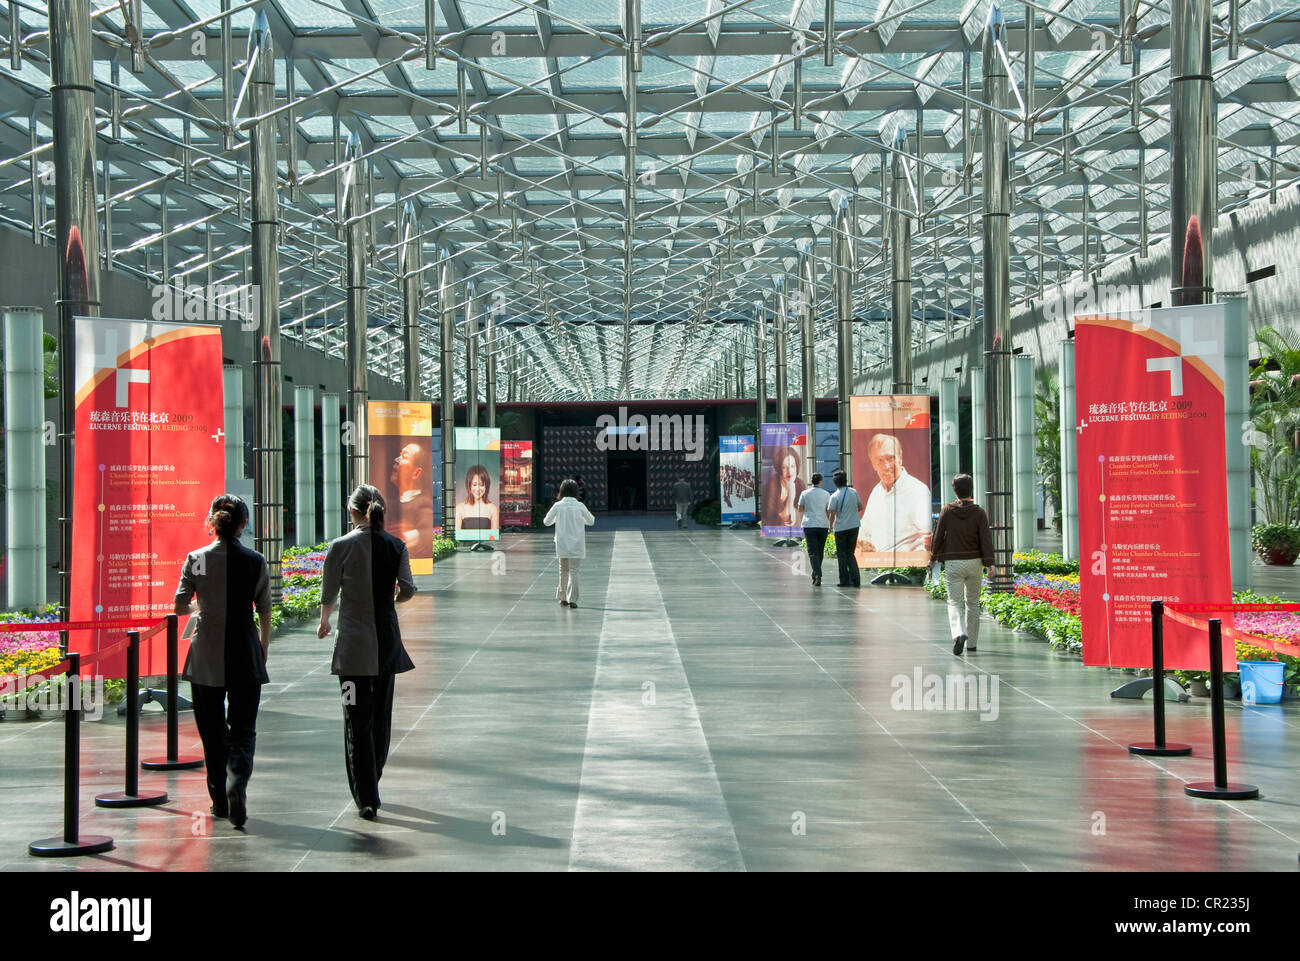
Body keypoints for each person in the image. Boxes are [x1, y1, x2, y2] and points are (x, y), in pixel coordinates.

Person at [318, 485, 417, 820]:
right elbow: (408, 589)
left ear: (352, 511)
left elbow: (329, 591)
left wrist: (324, 622)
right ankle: (371, 780)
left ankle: (366, 796)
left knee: (355, 719)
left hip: (352, 651)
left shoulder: (340, 547)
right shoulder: (397, 546)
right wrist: (391, 603)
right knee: (380, 718)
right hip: (387, 646)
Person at [174, 493, 271, 829]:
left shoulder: (196, 558)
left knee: (212, 733)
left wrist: (202, 610)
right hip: (245, 653)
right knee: (243, 731)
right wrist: (264, 646)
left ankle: (219, 800)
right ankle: (237, 784)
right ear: (243, 524)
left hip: (206, 657)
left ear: (213, 523)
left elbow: (180, 604)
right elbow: (265, 608)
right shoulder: (255, 560)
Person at [928, 473, 994, 656]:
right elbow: (985, 540)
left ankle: (959, 633)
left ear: (954, 490)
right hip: (975, 563)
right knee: (973, 603)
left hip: (953, 563)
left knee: (954, 601)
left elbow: (938, 535)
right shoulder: (979, 512)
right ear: (971, 489)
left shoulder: (947, 511)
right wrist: (991, 564)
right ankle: (971, 644)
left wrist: (933, 557)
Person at [861, 433, 932, 555]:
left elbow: (927, 535)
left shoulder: (918, 490)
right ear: (873, 464)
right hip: (877, 564)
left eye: (890, 458)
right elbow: (864, 530)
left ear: (900, 458)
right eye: (879, 460)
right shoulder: (876, 492)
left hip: (907, 567)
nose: (886, 466)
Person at [544, 479, 595, 608]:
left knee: (563, 570)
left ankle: (562, 598)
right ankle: (573, 599)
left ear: (561, 491)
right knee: (574, 571)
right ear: (576, 492)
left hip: (561, 543)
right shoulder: (580, 506)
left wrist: (557, 519)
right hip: (577, 544)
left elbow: (546, 522)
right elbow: (591, 521)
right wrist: (579, 520)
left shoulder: (557, 506)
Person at [390, 442, 432, 559]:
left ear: (416, 473)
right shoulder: (392, 502)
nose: (396, 460)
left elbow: (426, 534)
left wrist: (407, 535)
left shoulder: (424, 503)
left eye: (404, 456)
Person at [826, 469, 864, 587]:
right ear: (846, 480)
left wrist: (830, 526)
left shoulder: (834, 496)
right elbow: (860, 507)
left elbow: (831, 513)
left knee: (841, 554)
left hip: (841, 528)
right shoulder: (853, 492)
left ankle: (844, 580)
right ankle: (856, 579)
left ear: (835, 483)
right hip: (854, 526)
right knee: (850, 553)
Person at [795, 472, 831, 587]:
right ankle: (816, 574)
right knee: (820, 551)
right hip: (823, 524)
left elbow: (800, 509)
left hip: (809, 524)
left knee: (812, 552)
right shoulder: (826, 494)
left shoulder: (804, 493)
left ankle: (817, 574)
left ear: (811, 481)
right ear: (820, 481)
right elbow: (828, 509)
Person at [761, 445, 806, 529]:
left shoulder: (800, 484)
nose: (790, 471)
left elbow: (803, 512)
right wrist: (791, 496)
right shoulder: (771, 486)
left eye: (792, 466)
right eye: (784, 467)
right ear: (779, 469)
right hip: (773, 530)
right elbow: (785, 517)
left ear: (797, 467)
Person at [454, 464, 499, 534]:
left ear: (486, 486)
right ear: (469, 486)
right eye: (474, 485)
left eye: (481, 485)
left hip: (486, 545)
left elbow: (493, 538)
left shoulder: (492, 508)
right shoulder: (460, 508)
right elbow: (457, 537)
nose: (478, 489)